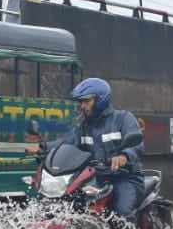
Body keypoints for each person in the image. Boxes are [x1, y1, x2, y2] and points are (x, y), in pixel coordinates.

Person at [53, 77, 145, 221]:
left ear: (101, 100)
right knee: (71, 206)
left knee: (121, 212)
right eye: (80, 102)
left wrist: (124, 156)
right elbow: (66, 143)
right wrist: (42, 148)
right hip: (96, 180)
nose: (82, 106)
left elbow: (136, 143)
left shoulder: (123, 118)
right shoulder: (83, 127)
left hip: (125, 178)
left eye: (86, 101)